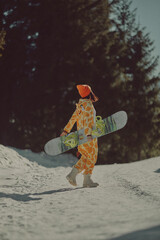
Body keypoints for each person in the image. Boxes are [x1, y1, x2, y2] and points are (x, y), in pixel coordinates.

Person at [60, 84, 99, 187]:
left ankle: (72, 175)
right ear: (89, 93)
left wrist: (66, 130)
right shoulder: (89, 105)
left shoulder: (80, 106)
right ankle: (87, 180)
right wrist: (90, 134)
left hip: (80, 136)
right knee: (92, 157)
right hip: (89, 136)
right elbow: (89, 120)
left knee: (86, 157)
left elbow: (73, 118)